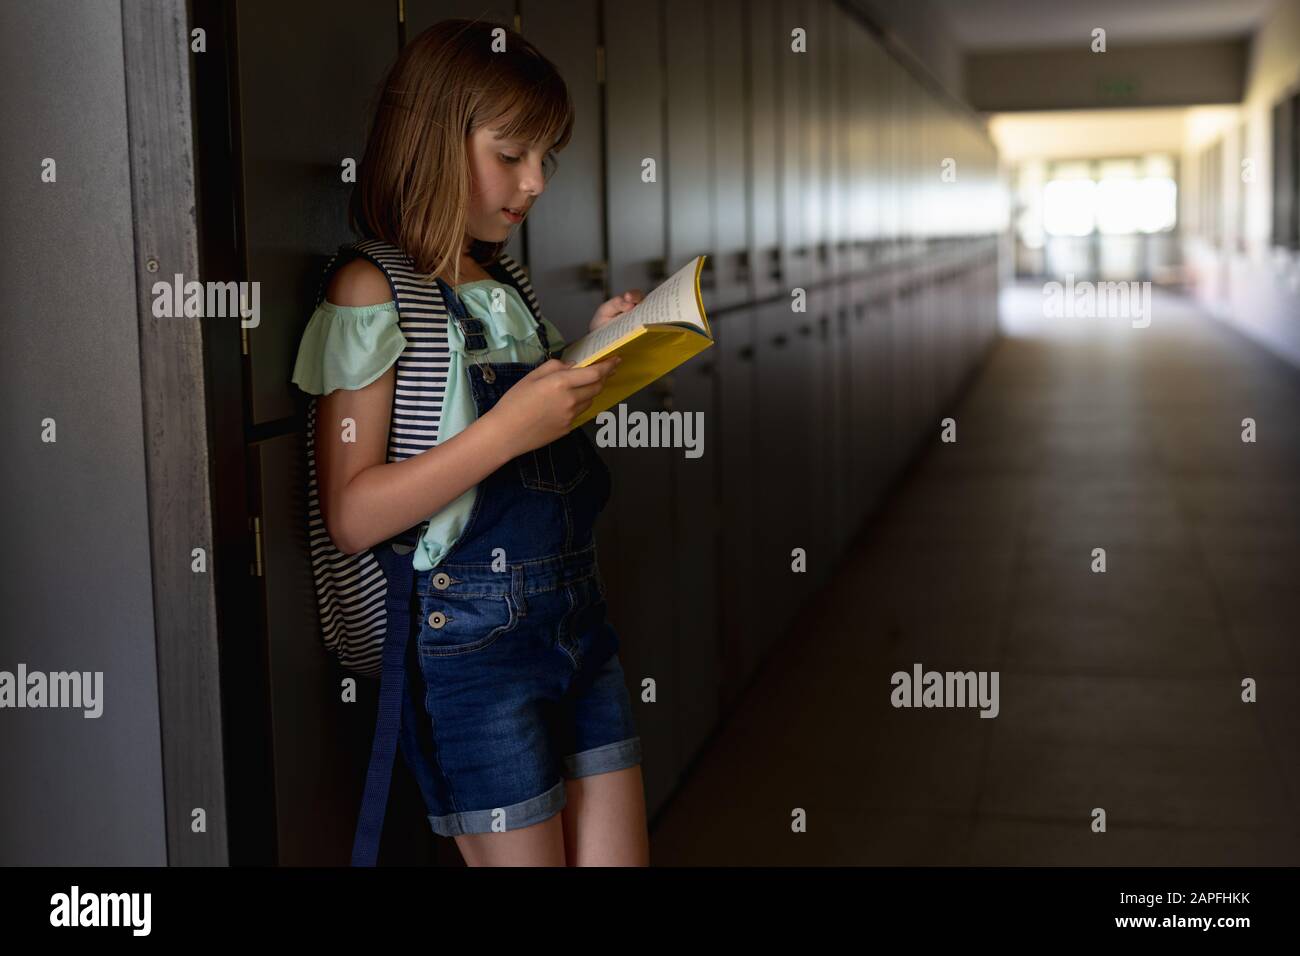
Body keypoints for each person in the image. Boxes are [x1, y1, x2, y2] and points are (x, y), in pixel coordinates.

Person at [291, 18, 648, 866]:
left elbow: (524, 438)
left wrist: (590, 362)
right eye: (512, 153)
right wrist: (506, 428)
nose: (535, 182)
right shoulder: (369, 289)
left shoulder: (506, 284)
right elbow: (352, 514)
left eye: (547, 158)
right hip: (469, 645)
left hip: (576, 620)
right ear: (430, 139)